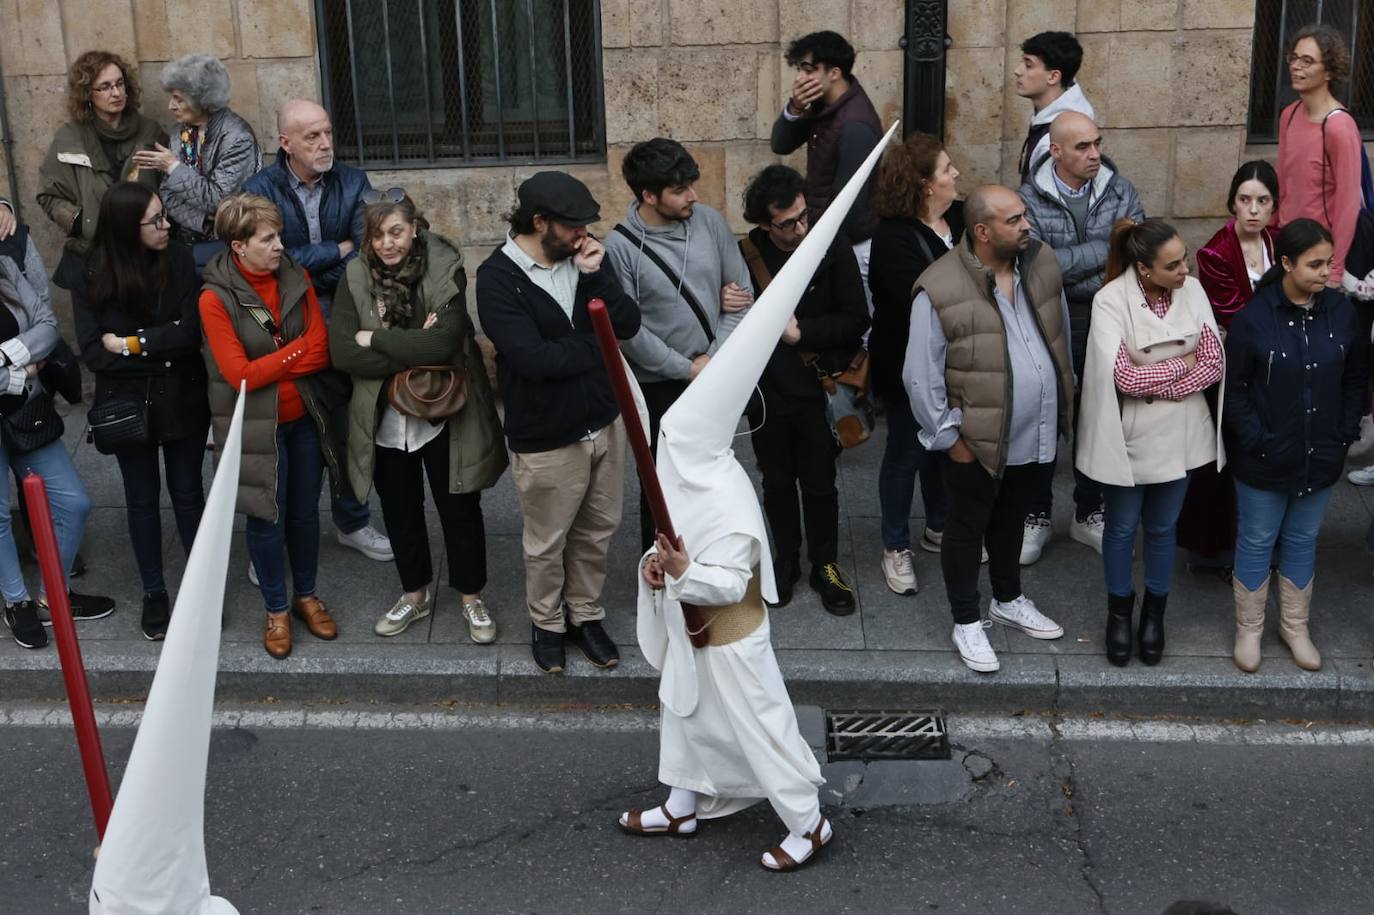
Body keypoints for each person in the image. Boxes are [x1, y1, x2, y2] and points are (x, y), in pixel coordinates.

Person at [616, 129, 894, 870]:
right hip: (691, 630)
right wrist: (654, 564)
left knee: (761, 723)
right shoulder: (683, 467)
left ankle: (807, 821)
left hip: (733, 636)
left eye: (676, 438)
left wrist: (674, 569)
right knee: (685, 713)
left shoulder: (730, 494)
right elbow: (670, 546)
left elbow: (724, 576)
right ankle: (681, 802)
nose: (669, 446)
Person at [902, 185, 1072, 673]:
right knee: (965, 528)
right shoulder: (939, 286)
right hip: (973, 442)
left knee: (1011, 521)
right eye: (1014, 220)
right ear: (982, 231)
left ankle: (1007, 599)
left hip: (1033, 434)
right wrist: (948, 439)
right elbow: (920, 374)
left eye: (1024, 217)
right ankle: (966, 621)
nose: (1027, 226)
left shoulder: (1041, 264)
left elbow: (1057, 335)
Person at [476, 172, 641, 674]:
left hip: (603, 422)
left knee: (597, 530)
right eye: (573, 227)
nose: (584, 236)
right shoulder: (497, 279)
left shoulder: (585, 260)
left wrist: (595, 278)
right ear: (540, 222)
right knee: (547, 541)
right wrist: (599, 344)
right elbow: (534, 361)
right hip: (546, 435)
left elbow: (627, 324)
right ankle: (546, 622)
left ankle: (584, 614)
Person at [330, 190, 507, 644]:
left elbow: (442, 345)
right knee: (399, 509)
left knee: (459, 506)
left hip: (446, 411)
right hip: (385, 417)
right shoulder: (354, 275)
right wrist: (407, 348)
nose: (387, 243)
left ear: (414, 228)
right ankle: (414, 594)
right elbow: (343, 353)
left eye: (396, 232)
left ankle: (471, 597)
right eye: (377, 235)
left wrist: (377, 338)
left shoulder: (443, 266)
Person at [243, 100, 391, 564]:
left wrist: (316, 263)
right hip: (284, 327)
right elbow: (272, 265)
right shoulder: (259, 189)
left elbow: (366, 256)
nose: (325, 144)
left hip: (346, 317)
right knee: (291, 439)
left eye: (327, 133)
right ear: (286, 143)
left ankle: (352, 520)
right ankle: (279, 539)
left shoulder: (353, 182)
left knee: (350, 428)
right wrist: (335, 250)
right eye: (312, 137)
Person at [199, 193, 344, 660]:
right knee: (266, 518)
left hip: (303, 418)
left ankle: (306, 596)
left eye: (278, 235)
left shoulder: (295, 276)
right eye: (268, 238)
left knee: (304, 514)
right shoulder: (214, 298)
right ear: (239, 247)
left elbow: (322, 348)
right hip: (256, 428)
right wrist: (295, 352)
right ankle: (276, 610)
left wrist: (277, 361)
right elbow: (239, 375)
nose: (280, 245)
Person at [1077, 219, 1224, 667]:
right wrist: (1185, 362)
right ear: (1144, 268)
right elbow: (1122, 376)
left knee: (1163, 529)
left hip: (1180, 437)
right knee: (1121, 529)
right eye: (1174, 264)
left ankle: (1154, 616)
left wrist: (1159, 381)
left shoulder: (1193, 291)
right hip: (1131, 437)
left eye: (1183, 259)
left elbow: (1215, 362)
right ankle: (1120, 614)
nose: (1186, 270)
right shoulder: (1109, 301)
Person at [1223, 219, 1365, 673]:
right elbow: (1237, 391)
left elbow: (1356, 379)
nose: (1327, 273)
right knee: (1257, 540)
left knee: (1303, 540)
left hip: (1321, 453)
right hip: (1265, 456)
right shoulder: (1253, 318)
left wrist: (1343, 434)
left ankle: (1294, 626)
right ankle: (1249, 629)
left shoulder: (1341, 314)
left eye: (1329, 262)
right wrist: (1257, 440)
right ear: (1286, 263)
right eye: (1315, 264)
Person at [72, 183, 208, 641]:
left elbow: (190, 334)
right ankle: (155, 591)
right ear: (128, 229)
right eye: (155, 220)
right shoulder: (91, 270)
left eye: (165, 215)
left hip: (183, 398)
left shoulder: (181, 259)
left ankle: (200, 588)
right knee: (141, 498)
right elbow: (94, 353)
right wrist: (162, 345)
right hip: (127, 406)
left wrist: (134, 344)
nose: (166, 225)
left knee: (189, 494)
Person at [603, 138, 752, 551]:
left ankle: (713, 556)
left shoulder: (708, 221)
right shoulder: (620, 249)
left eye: (692, 184)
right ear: (649, 195)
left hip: (714, 372)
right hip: (659, 385)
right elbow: (628, 332)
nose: (694, 196)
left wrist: (712, 359)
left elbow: (742, 296)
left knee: (715, 471)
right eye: (680, 190)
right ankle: (663, 572)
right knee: (660, 483)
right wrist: (685, 368)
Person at [738, 165, 868, 614]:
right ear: (763, 224)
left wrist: (803, 334)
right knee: (775, 482)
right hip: (766, 394)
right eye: (787, 223)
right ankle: (787, 559)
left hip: (817, 389)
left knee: (820, 483)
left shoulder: (829, 245)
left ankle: (826, 564)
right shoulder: (747, 254)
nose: (799, 228)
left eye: (803, 216)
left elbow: (857, 319)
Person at [1020, 111, 1145, 563]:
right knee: (1046, 418)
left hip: (1110, 317)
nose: (1094, 154)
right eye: (1082, 147)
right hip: (1051, 318)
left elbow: (1136, 250)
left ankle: (1088, 511)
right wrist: (1105, 249)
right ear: (1055, 151)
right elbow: (1037, 266)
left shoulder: (1121, 188)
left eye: (1096, 143)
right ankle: (1036, 515)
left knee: (1098, 416)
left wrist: (1078, 260)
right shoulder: (1029, 200)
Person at [0, 236, 114, 649]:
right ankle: (17, 603)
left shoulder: (5, 269)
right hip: (19, 391)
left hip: (24, 411)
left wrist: (2, 357)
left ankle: (52, 594)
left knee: (74, 501)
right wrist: (21, 371)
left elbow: (48, 325)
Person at [868, 132, 963, 595]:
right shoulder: (892, 237)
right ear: (926, 185)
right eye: (947, 169)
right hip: (908, 365)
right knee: (906, 450)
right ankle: (894, 545)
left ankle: (939, 526)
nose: (956, 174)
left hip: (958, 362)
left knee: (944, 448)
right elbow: (923, 297)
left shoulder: (962, 220)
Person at [1180, 161, 1279, 576]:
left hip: (1275, 366)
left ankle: (1261, 543)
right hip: (1233, 369)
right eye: (1245, 200)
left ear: (1274, 206)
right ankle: (1215, 549)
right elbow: (1238, 317)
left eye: (1263, 201)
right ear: (1232, 203)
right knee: (1226, 458)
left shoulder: (1279, 242)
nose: (1253, 210)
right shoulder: (1215, 252)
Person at [770, 30, 883, 311]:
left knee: (858, 325)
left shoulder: (855, 124)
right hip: (828, 238)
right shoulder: (823, 106)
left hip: (852, 247)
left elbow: (850, 205)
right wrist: (796, 107)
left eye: (808, 70)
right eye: (800, 69)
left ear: (834, 73)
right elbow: (781, 144)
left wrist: (816, 244)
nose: (800, 78)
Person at [37, 50, 163, 290]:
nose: (115, 93)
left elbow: (167, 188)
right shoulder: (70, 138)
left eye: (119, 84)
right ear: (87, 94)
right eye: (104, 87)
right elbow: (48, 195)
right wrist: (80, 222)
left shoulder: (150, 132)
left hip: (144, 255)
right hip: (93, 258)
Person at [130, 54, 260, 246]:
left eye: (179, 99)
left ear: (203, 101)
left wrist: (173, 167)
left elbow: (219, 200)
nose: (171, 106)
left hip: (229, 242)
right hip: (187, 241)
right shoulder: (180, 132)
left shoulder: (237, 137)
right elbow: (167, 193)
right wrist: (203, 222)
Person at [1275, 24, 1362, 295]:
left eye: (1307, 61)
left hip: (1319, 256)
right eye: (1294, 57)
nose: (1296, 66)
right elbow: (1283, 184)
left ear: (1329, 71)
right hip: (1288, 248)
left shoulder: (1339, 126)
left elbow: (1348, 204)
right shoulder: (1288, 115)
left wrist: (1334, 271)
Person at [1013, 31, 1095, 185]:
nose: (1017, 71)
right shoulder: (1051, 118)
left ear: (1053, 77)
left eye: (1028, 65)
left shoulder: (1056, 139)